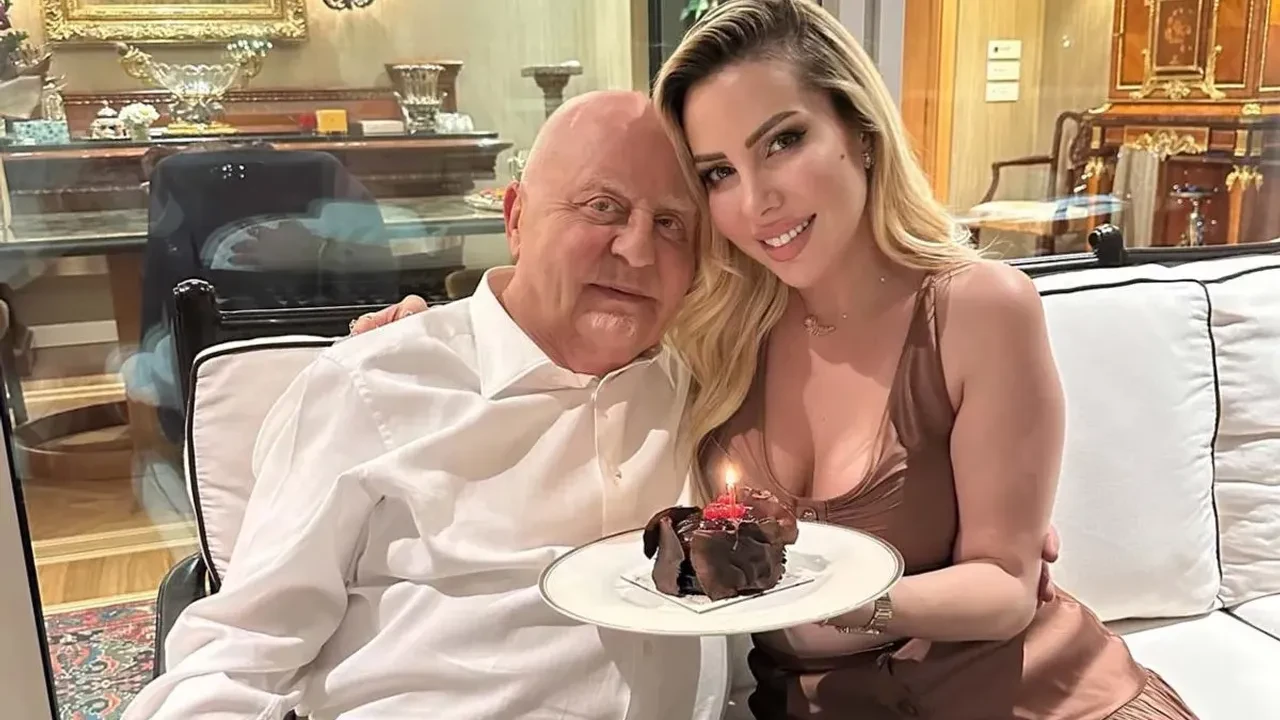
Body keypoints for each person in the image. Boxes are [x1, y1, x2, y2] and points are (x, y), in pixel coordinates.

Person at [359, 2, 1196, 719]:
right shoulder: (709, 327)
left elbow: (1007, 589)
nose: (756, 201)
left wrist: (838, 599)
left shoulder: (977, 308)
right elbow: (560, 339)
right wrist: (431, 330)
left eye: (784, 141)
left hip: (1027, 698)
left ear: (859, 132)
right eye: (718, 173)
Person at [123, 90, 722, 720]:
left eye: (671, 224)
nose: (638, 250)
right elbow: (240, 652)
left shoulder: (711, 396)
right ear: (516, 219)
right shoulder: (375, 384)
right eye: (602, 207)